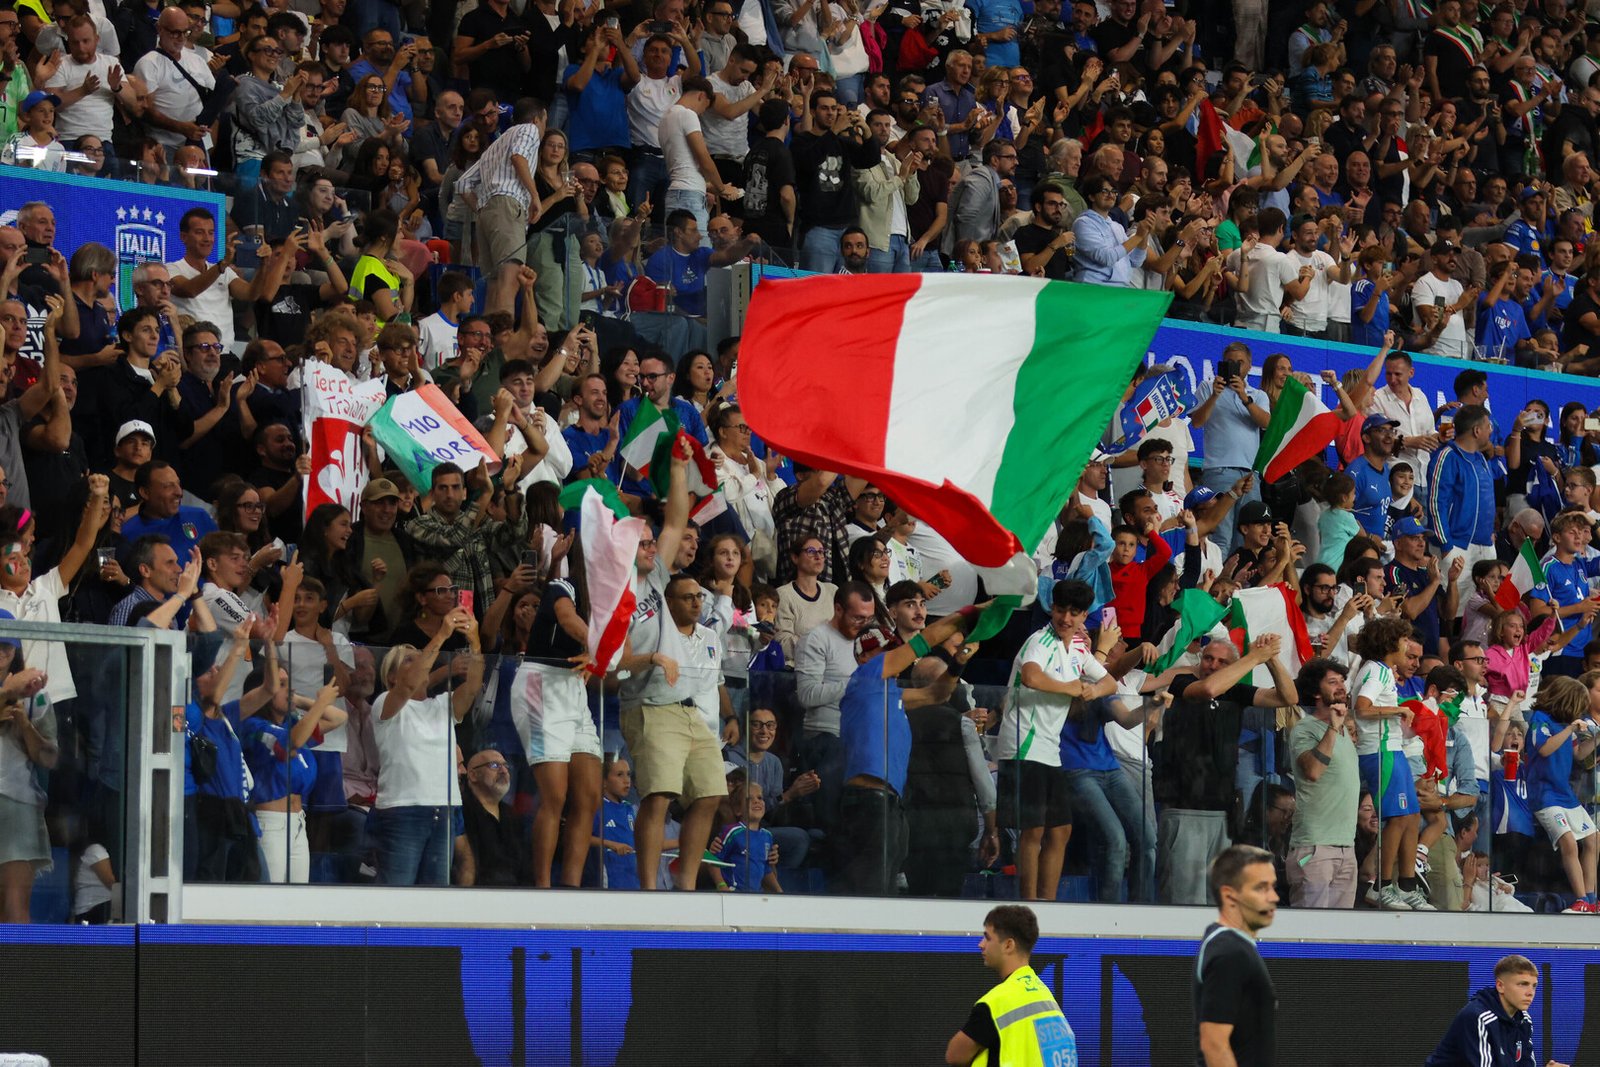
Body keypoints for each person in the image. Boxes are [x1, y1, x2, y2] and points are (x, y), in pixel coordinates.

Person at [943, 904, 1077, 1067]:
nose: (981, 944)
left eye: (988, 938)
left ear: (1008, 945)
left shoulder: (995, 1003)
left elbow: (954, 1055)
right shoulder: (1044, 995)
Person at [1194, 845, 1278, 1067]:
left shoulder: (1228, 945)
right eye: (1261, 888)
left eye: (1273, 887)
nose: (1274, 897)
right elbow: (1214, 1045)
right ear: (1229, 896)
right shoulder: (1231, 953)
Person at [1287, 658, 1360, 908]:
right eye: (1332, 682)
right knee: (1310, 928)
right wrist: (1333, 728)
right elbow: (1313, 771)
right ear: (1316, 692)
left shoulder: (1344, 732)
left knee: (1341, 930)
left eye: (1342, 681)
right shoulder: (1305, 729)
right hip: (1313, 848)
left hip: (1346, 847)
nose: (1341, 687)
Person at [1425, 955, 1568, 1067]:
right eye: (1523, 984)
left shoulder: (1524, 1019)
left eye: (1534, 986)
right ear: (1500, 986)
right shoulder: (1478, 1017)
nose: (1530, 992)